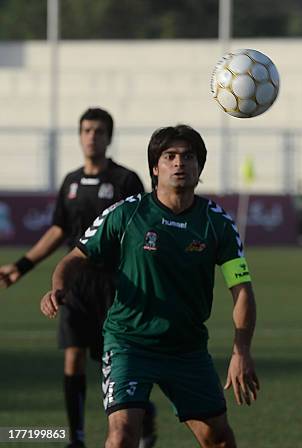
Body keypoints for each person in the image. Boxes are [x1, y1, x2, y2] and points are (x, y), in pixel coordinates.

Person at [40, 124, 258, 448]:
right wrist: (58, 287)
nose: (179, 163)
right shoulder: (127, 214)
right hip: (129, 343)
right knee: (121, 437)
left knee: (218, 439)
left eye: (188, 157)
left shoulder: (218, 224)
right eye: (169, 156)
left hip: (186, 349)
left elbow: (241, 290)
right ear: (155, 168)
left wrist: (241, 350)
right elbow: (74, 258)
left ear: (200, 168)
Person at [0, 108, 152, 448]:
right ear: (79, 135)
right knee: (73, 355)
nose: (91, 136)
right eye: (86, 130)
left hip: (115, 286)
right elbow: (58, 230)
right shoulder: (69, 182)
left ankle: (146, 413)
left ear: (109, 137)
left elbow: (142, 229)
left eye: (98, 131)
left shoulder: (125, 181)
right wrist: (21, 266)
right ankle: (76, 437)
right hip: (74, 285)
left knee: (113, 365)